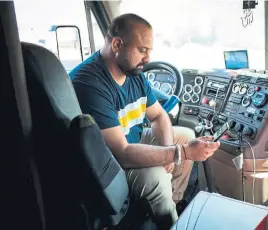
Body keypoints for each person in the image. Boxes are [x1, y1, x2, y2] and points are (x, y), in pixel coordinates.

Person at [69, 13, 220, 229]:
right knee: (158, 173)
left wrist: (169, 149)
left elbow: (158, 116)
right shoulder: (89, 84)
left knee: (185, 135)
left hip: (131, 142)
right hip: (110, 164)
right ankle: (167, 220)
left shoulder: (134, 73)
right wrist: (181, 153)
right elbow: (121, 152)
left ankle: (170, 206)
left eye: (150, 51)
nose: (148, 59)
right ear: (117, 44)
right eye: (142, 50)